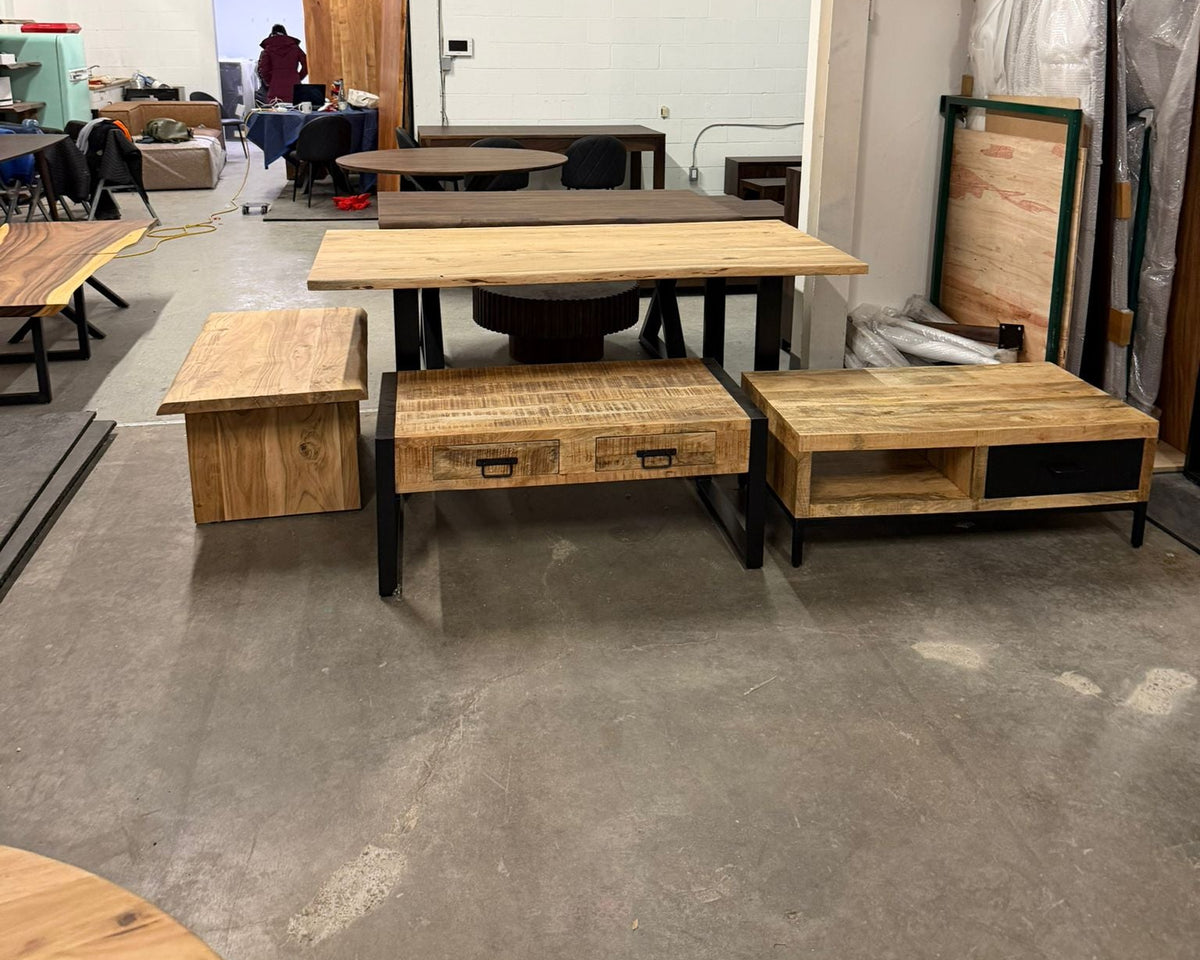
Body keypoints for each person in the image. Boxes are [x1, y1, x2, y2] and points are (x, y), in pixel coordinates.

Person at [257, 24, 308, 104]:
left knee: (276, 114)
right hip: (294, 86)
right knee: (296, 113)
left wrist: (271, 80)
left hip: (275, 88)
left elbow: (263, 69)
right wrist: (298, 77)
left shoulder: (268, 49)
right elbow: (306, 64)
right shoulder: (295, 48)